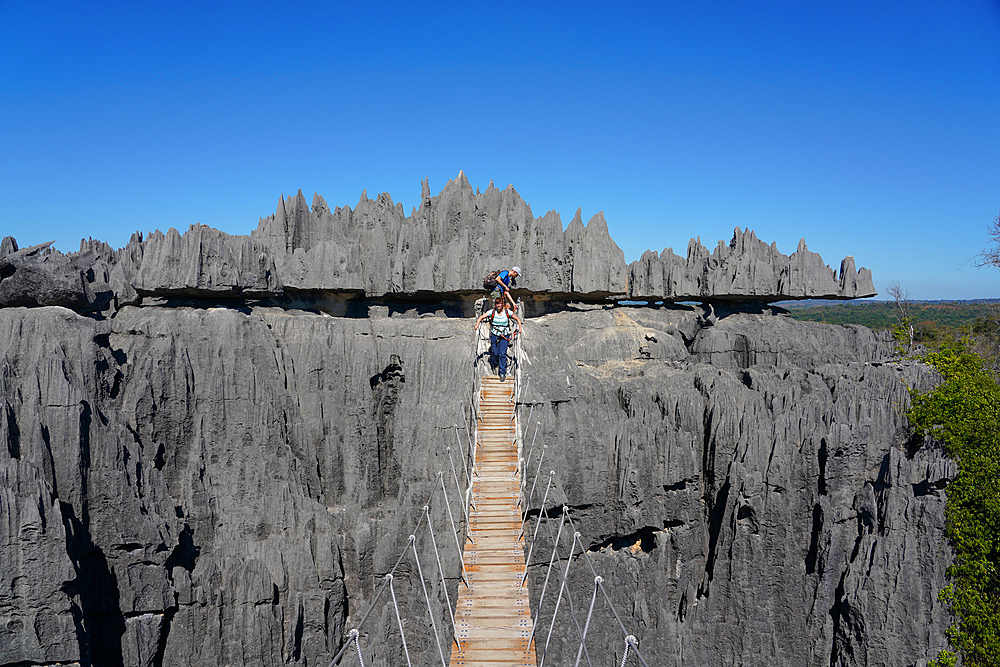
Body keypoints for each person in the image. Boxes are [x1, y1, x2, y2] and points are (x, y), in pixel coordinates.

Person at [473, 295, 522, 381]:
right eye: (497, 304)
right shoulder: (492, 312)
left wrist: (520, 328)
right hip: (495, 335)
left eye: (500, 303)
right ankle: (495, 361)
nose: (498, 305)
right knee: (495, 352)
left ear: (502, 304)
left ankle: (502, 372)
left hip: (504, 335)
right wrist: (477, 324)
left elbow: (517, 319)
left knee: (502, 353)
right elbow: (481, 317)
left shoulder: (507, 312)